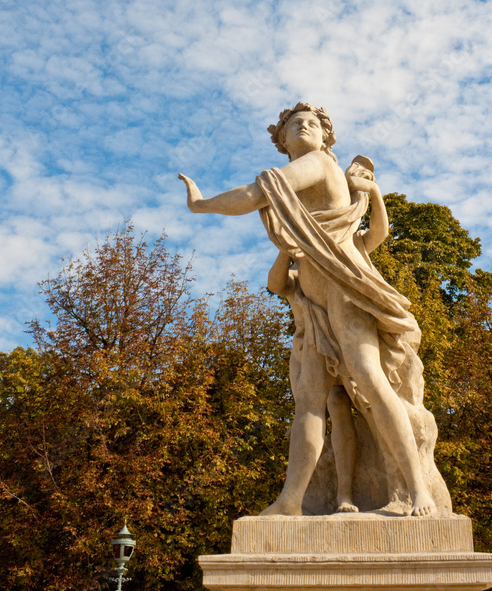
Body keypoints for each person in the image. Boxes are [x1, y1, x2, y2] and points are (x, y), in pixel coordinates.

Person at [178, 102, 436, 517]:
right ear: (281, 140)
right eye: (293, 123)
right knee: (309, 405)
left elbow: (252, 195)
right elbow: (278, 279)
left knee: (370, 381)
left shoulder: (318, 163)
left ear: (324, 138)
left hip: (344, 290)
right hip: (314, 304)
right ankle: (291, 500)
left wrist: (202, 205)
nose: (303, 126)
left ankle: (417, 490)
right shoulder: (300, 183)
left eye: (312, 123)